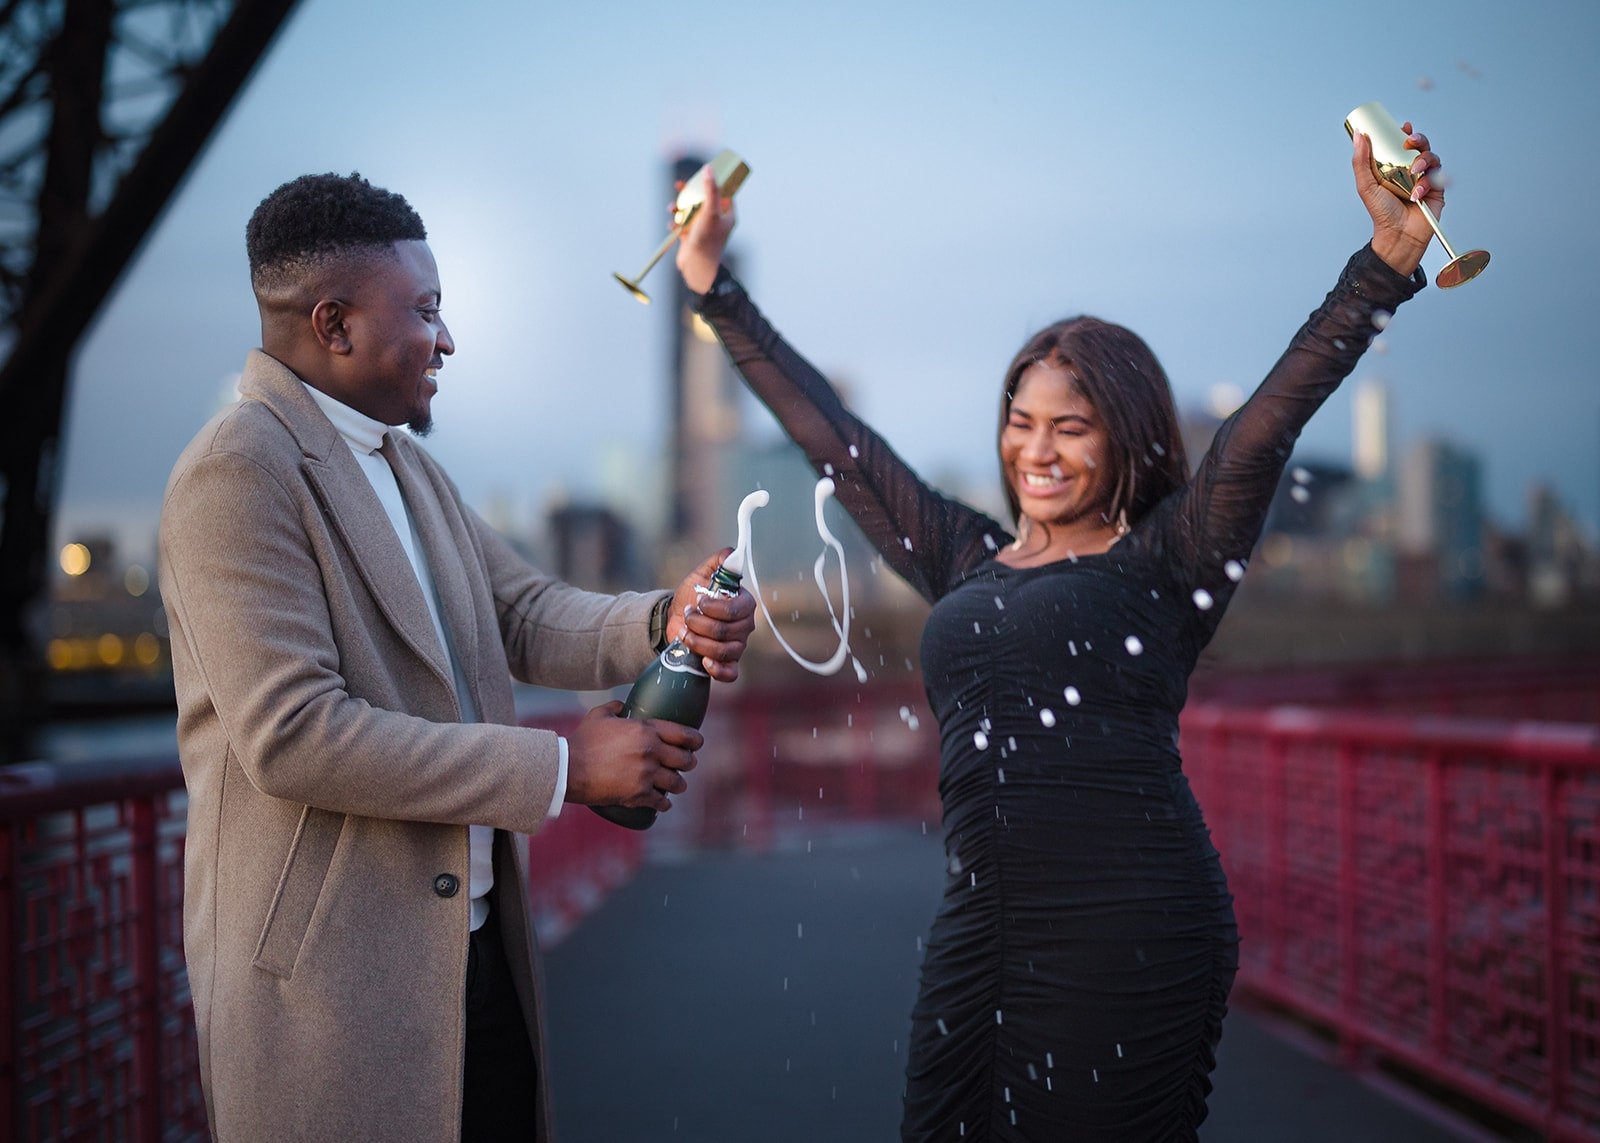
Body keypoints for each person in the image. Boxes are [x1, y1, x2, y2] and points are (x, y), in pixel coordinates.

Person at [672, 121, 1445, 1139]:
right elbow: (838, 444)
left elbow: (1267, 425)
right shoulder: (964, 555)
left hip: (1127, 926)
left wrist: (1384, 262)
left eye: (1068, 427)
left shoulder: (1171, 557)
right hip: (978, 928)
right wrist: (711, 288)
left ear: (1125, 437)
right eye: (1019, 420)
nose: (1034, 450)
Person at [158, 172, 756, 1142]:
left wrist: (665, 617)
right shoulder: (238, 471)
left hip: (472, 955)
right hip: (334, 987)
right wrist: (564, 767)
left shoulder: (406, 464)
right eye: (426, 311)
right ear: (335, 324)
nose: (447, 339)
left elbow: (520, 611)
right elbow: (294, 737)